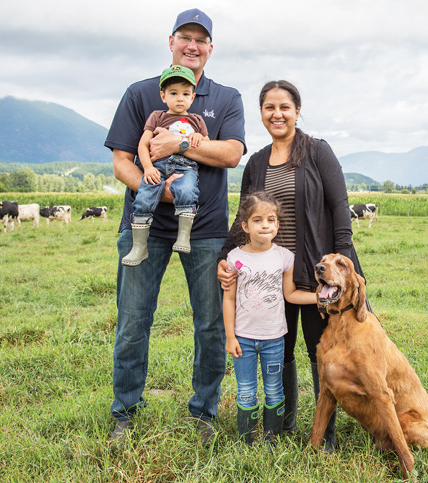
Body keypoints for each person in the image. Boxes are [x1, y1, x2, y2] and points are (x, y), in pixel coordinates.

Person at [105, 8, 246, 445]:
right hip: (144, 223)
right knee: (132, 321)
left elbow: (232, 154)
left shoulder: (225, 98)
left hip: (205, 230)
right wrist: (163, 191)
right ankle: (125, 411)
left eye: (201, 40)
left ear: (210, 49)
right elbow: (121, 162)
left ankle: (203, 412)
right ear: (170, 41)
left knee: (209, 325)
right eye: (185, 37)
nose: (192, 45)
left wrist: (182, 143)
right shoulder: (140, 93)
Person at [218, 80, 365, 451]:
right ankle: (280, 426)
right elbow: (243, 218)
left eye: (285, 106)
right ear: (262, 114)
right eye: (269, 107)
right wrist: (225, 256)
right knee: (277, 351)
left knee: (322, 353)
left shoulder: (318, 152)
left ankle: (325, 436)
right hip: (269, 277)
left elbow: (339, 211)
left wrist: (344, 271)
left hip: (318, 277)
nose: (277, 114)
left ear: (297, 111)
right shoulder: (255, 162)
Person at [222, 191, 317, 446]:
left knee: (274, 389)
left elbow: (291, 294)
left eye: (271, 220)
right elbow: (228, 299)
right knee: (246, 391)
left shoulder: (284, 257)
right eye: (257, 220)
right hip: (243, 338)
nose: (265, 225)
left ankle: (271, 438)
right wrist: (230, 337)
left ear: (277, 224)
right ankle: (246, 441)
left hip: (275, 339)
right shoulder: (235, 258)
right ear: (245, 226)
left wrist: (317, 298)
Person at [122, 64, 209, 266]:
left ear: (192, 97)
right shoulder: (157, 116)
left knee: (188, 190)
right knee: (144, 196)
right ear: (163, 96)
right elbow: (143, 145)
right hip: (158, 167)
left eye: (185, 93)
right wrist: (148, 167)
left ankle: (183, 236)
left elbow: (207, 143)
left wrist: (198, 137)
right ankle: (139, 247)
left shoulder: (197, 120)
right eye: (173, 93)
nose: (180, 98)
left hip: (186, 168)